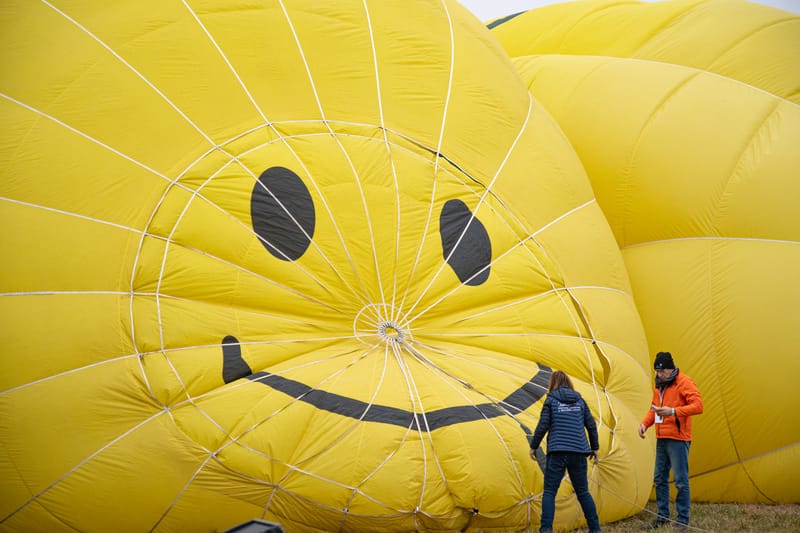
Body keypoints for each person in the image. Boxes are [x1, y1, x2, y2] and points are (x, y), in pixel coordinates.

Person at [529, 370, 601, 533]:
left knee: (549, 492)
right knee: (583, 492)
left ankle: (546, 529)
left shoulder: (551, 400)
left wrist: (534, 446)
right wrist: (594, 448)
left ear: (552, 383)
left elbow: (542, 426)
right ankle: (595, 529)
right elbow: (591, 425)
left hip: (558, 451)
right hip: (578, 451)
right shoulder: (580, 401)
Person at [638, 351, 704, 530]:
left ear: (670, 369)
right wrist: (645, 424)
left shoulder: (684, 382)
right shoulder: (659, 385)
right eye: (657, 371)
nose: (659, 375)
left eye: (661, 371)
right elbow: (654, 408)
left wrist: (674, 411)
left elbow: (698, 406)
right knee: (659, 478)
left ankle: (682, 519)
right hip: (662, 437)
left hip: (678, 439)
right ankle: (662, 517)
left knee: (680, 480)